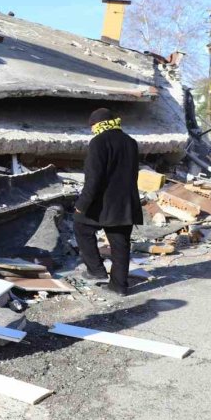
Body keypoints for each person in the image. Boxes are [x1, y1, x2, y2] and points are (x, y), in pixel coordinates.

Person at [72, 108, 141, 297]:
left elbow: (94, 178)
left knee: (81, 226)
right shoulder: (130, 142)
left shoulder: (98, 142)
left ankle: (96, 270)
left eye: (92, 126)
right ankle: (119, 286)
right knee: (120, 244)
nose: (92, 130)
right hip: (125, 203)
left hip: (102, 203)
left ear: (97, 124)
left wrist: (82, 204)